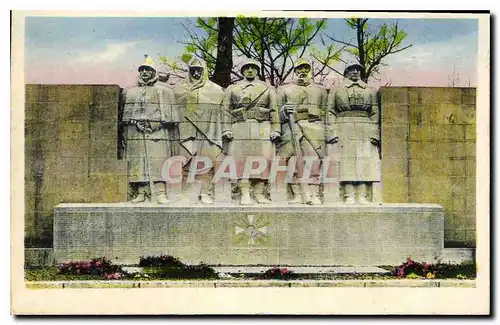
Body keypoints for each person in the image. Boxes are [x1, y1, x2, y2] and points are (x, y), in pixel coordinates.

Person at [121, 55, 178, 204]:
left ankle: (161, 193)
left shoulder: (164, 91)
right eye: (142, 70)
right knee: (139, 163)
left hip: (158, 131)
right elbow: (125, 116)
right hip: (136, 132)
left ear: (154, 72)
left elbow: (171, 117)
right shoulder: (130, 92)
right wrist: (135, 122)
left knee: (159, 162)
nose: (144, 72)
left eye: (148, 69)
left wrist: (154, 124)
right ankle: (141, 192)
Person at [222, 58, 281, 205]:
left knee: (262, 161)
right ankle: (244, 193)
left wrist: (276, 129)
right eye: (246, 67)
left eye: (253, 68)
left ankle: (259, 193)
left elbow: (274, 110)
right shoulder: (233, 89)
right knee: (242, 162)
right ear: (242, 71)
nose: (250, 70)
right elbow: (225, 111)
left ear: (257, 71)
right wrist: (227, 129)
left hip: (262, 127)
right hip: (240, 127)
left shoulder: (268, 89)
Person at [326, 63, 381, 204]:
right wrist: (332, 131)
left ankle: (362, 195)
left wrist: (375, 133)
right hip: (344, 125)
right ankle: (348, 195)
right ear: (346, 72)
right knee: (346, 162)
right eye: (351, 69)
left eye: (358, 70)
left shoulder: (370, 90)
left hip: (365, 127)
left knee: (365, 162)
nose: (355, 72)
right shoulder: (336, 90)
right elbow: (330, 112)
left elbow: (375, 113)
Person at [173, 57, 225, 204]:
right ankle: (187, 193)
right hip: (185, 132)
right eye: (193, 70)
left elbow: (221, 110)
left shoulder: (215, 90)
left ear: (205, 71)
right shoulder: (178, 89)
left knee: (206, 163)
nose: (196, 74)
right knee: (186, 162)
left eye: (199, 70)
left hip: (208, 132)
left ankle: (205, 193)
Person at [277, 58, 327, 205]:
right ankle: (297, 194)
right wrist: (284, 111)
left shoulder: (320, 90)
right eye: (299, 69)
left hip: (314, 129)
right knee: (292, 162)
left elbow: (326, 112)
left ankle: (314, 194)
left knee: (313, 162)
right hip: (291, 128)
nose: (302, 71)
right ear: (295, 71)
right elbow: (276, 113)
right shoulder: (284, 90)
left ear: (310, 70)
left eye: (305, 68)